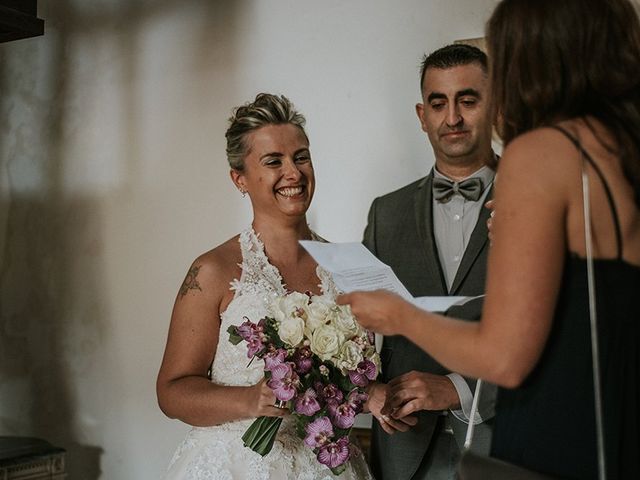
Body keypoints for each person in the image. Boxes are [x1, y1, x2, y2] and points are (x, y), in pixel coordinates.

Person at [339, 0, 640, 478]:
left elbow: (505, 358)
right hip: (617, 418)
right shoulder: (622, 152)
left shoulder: (538, 155)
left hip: (553, 430)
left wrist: (398, 315)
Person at [156, 93, 372, 479]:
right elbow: (171, 391)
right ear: (239, 178)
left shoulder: (349, 267)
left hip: (328, 466)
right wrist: (249, 400)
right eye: (273, 161)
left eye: (301, 157)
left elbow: (355, 379)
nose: (293, 173)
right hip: (238, 466)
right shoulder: (212, 271)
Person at [363, 44, 497, 480]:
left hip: (506, 446)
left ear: (495, 106)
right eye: (438, 103)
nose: (452, 118)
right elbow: (357, 335)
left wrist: (460, 390)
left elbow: (563, 338)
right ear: (422, 115)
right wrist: (369, 392)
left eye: (468, 100)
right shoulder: (386, 213)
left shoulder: (541, 201)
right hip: (405, 451)